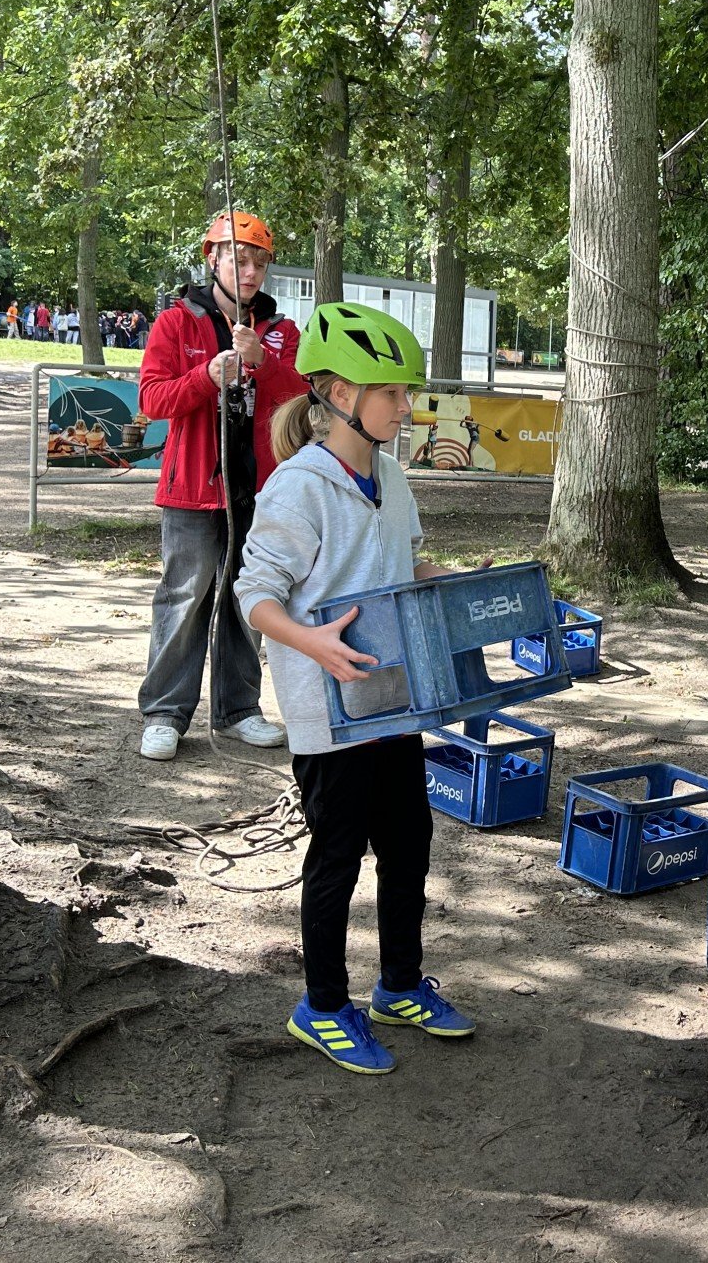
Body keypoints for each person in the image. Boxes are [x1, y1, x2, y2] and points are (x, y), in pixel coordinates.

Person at [234, 301, 479, 1074]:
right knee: (337, 855)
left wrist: (456, 583)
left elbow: (407, 564)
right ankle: (322, 1006)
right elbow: (254, 594)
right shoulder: (297, 488)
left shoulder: (393, 479)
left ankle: (399, 985)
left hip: (394, 701)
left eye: (407, 393)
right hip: (328, 712)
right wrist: (311, 643)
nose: (407, 408)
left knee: (409, 845)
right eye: (393, 393)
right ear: (341, 395)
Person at [135, 211, 304, 761]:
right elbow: (152, 400)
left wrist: (263, 364)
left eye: (259, 263)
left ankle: (238, 710)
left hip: (259, 491)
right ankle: (165, 713)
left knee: (248, 600)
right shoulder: (176, 323)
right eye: (239, 260)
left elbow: (299, 401)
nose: (250, 272)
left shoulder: (282, 332)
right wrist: (206, 376)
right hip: (193, 488)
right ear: (213, 259)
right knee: (183, 598)